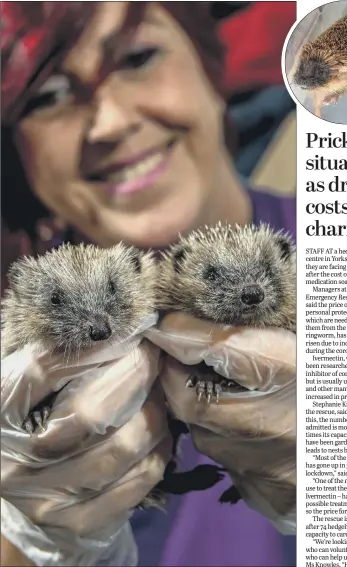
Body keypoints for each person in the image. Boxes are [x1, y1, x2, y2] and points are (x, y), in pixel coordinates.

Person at [1, 2, 297, 566]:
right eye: (48, 96)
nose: (109, 121)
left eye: (137, 56)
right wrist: (33, 541)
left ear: (212, 70)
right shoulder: (14, 363)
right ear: (18, 155)